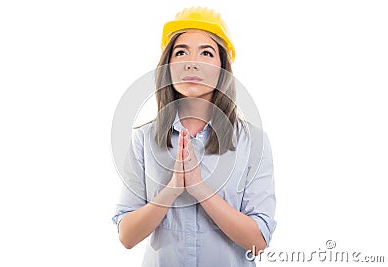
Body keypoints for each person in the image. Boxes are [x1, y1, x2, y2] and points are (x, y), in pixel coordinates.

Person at [112, 7, 276, 266]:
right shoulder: (144, 139)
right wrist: (173, 188)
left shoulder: (252, 141)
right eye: (181, 52)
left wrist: (201, 189)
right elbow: (127, 236)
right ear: (167, 66)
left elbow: (258, 241)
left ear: (223, 68)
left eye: (206, 53)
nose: (192, 62)